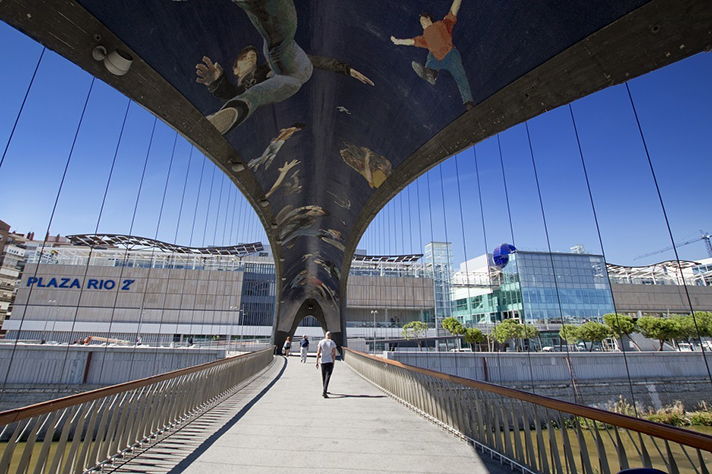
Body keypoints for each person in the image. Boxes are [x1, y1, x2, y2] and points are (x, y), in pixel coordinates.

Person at [195, 0, 374, 135]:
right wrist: (216, 82)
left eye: (252, 57)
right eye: (245, 58)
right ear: (235, 69)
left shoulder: (264, 67)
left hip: (296, 67)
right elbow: (231, 94)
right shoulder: (241, 89)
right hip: (285, 83)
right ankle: (235, 112)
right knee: (257, 93)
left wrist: (344, 68)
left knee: (276, 44)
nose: (251, 58)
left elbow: (309, 59)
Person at [390, 0, 474, 111]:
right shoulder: (425, 38)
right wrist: (398, 41)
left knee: (461, 77)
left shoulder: (443, 24)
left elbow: (453, 11)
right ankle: (430, 73)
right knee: (431, 55)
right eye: (420, 23)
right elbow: (412, 41)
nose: (422, 23)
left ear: (428, 18)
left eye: (422, 20)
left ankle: (468, 102)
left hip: (450, 55)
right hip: (438, 59)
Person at [316, 331, 338, 398]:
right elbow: (334, 354)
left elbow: (318, 353)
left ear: (325, 335)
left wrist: (317, 361)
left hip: (323, 361)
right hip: (329, 361)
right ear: (330, 336)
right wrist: (333, 362)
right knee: (328, 376)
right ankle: (324, 391)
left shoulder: (321, 342)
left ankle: (324, 389)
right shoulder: (332, 342)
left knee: (323, 376)